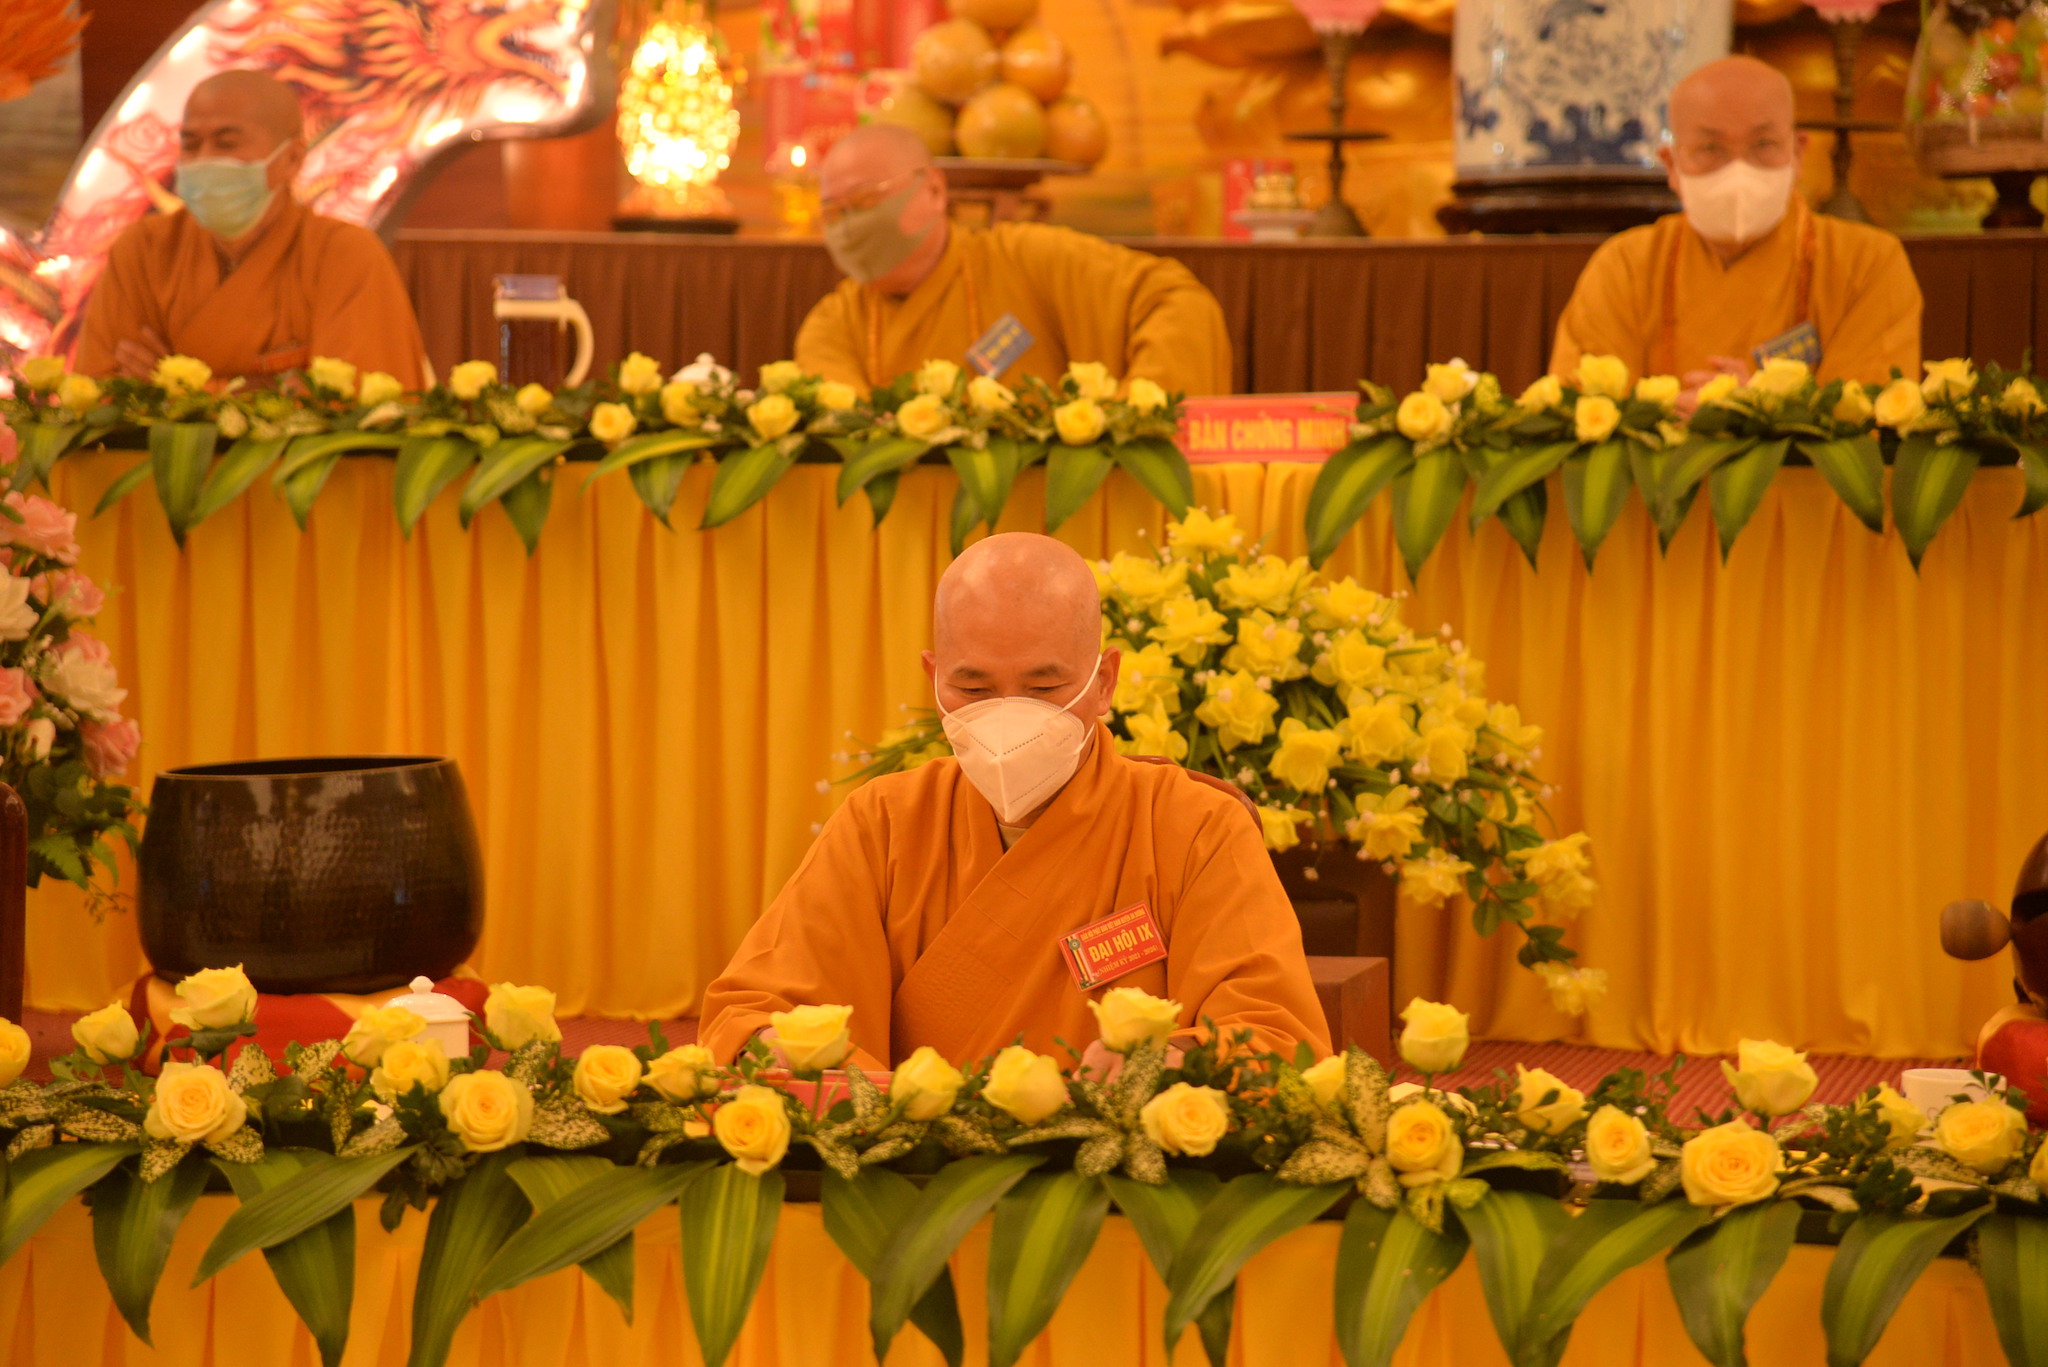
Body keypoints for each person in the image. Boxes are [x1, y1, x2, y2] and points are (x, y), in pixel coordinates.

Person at [699, 532, 1328, 1071]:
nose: (1007, 716)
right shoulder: (884, 822)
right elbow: (752, 1011)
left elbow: (1273, 1036)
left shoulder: (1194, 826)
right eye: (973, 689)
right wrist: (775, 1048)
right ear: (934, 680)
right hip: (910, 1158)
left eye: (1043, 687)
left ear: (1103, 682)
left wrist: (1171, 1063)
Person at [1550, 55, 1920, 411]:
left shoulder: (1868, 262)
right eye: (1710, 148)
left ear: (1798, 152)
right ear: (1671, 164)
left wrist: (1766, 412)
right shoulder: (1625, 265)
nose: (1738, 170)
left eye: (1763, 144)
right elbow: (1581, 409)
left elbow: (1871, 410)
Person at [794, 124, 1231, 398]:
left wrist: (1135, 411)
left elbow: (1176, 302)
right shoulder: (833, 325)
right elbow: (844, 429)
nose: (849, 227)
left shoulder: (1024, 258)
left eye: (865, 200)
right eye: (833, 214)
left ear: (934, 190)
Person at [74, 69, 427, 387]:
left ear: (292, 159)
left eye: (227, 144)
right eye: (191, 145)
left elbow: (359, 403)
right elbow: (101, 391)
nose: (204, 160)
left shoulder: (343, 254)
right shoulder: (145, 249)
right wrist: (270, 387)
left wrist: (182, 389)